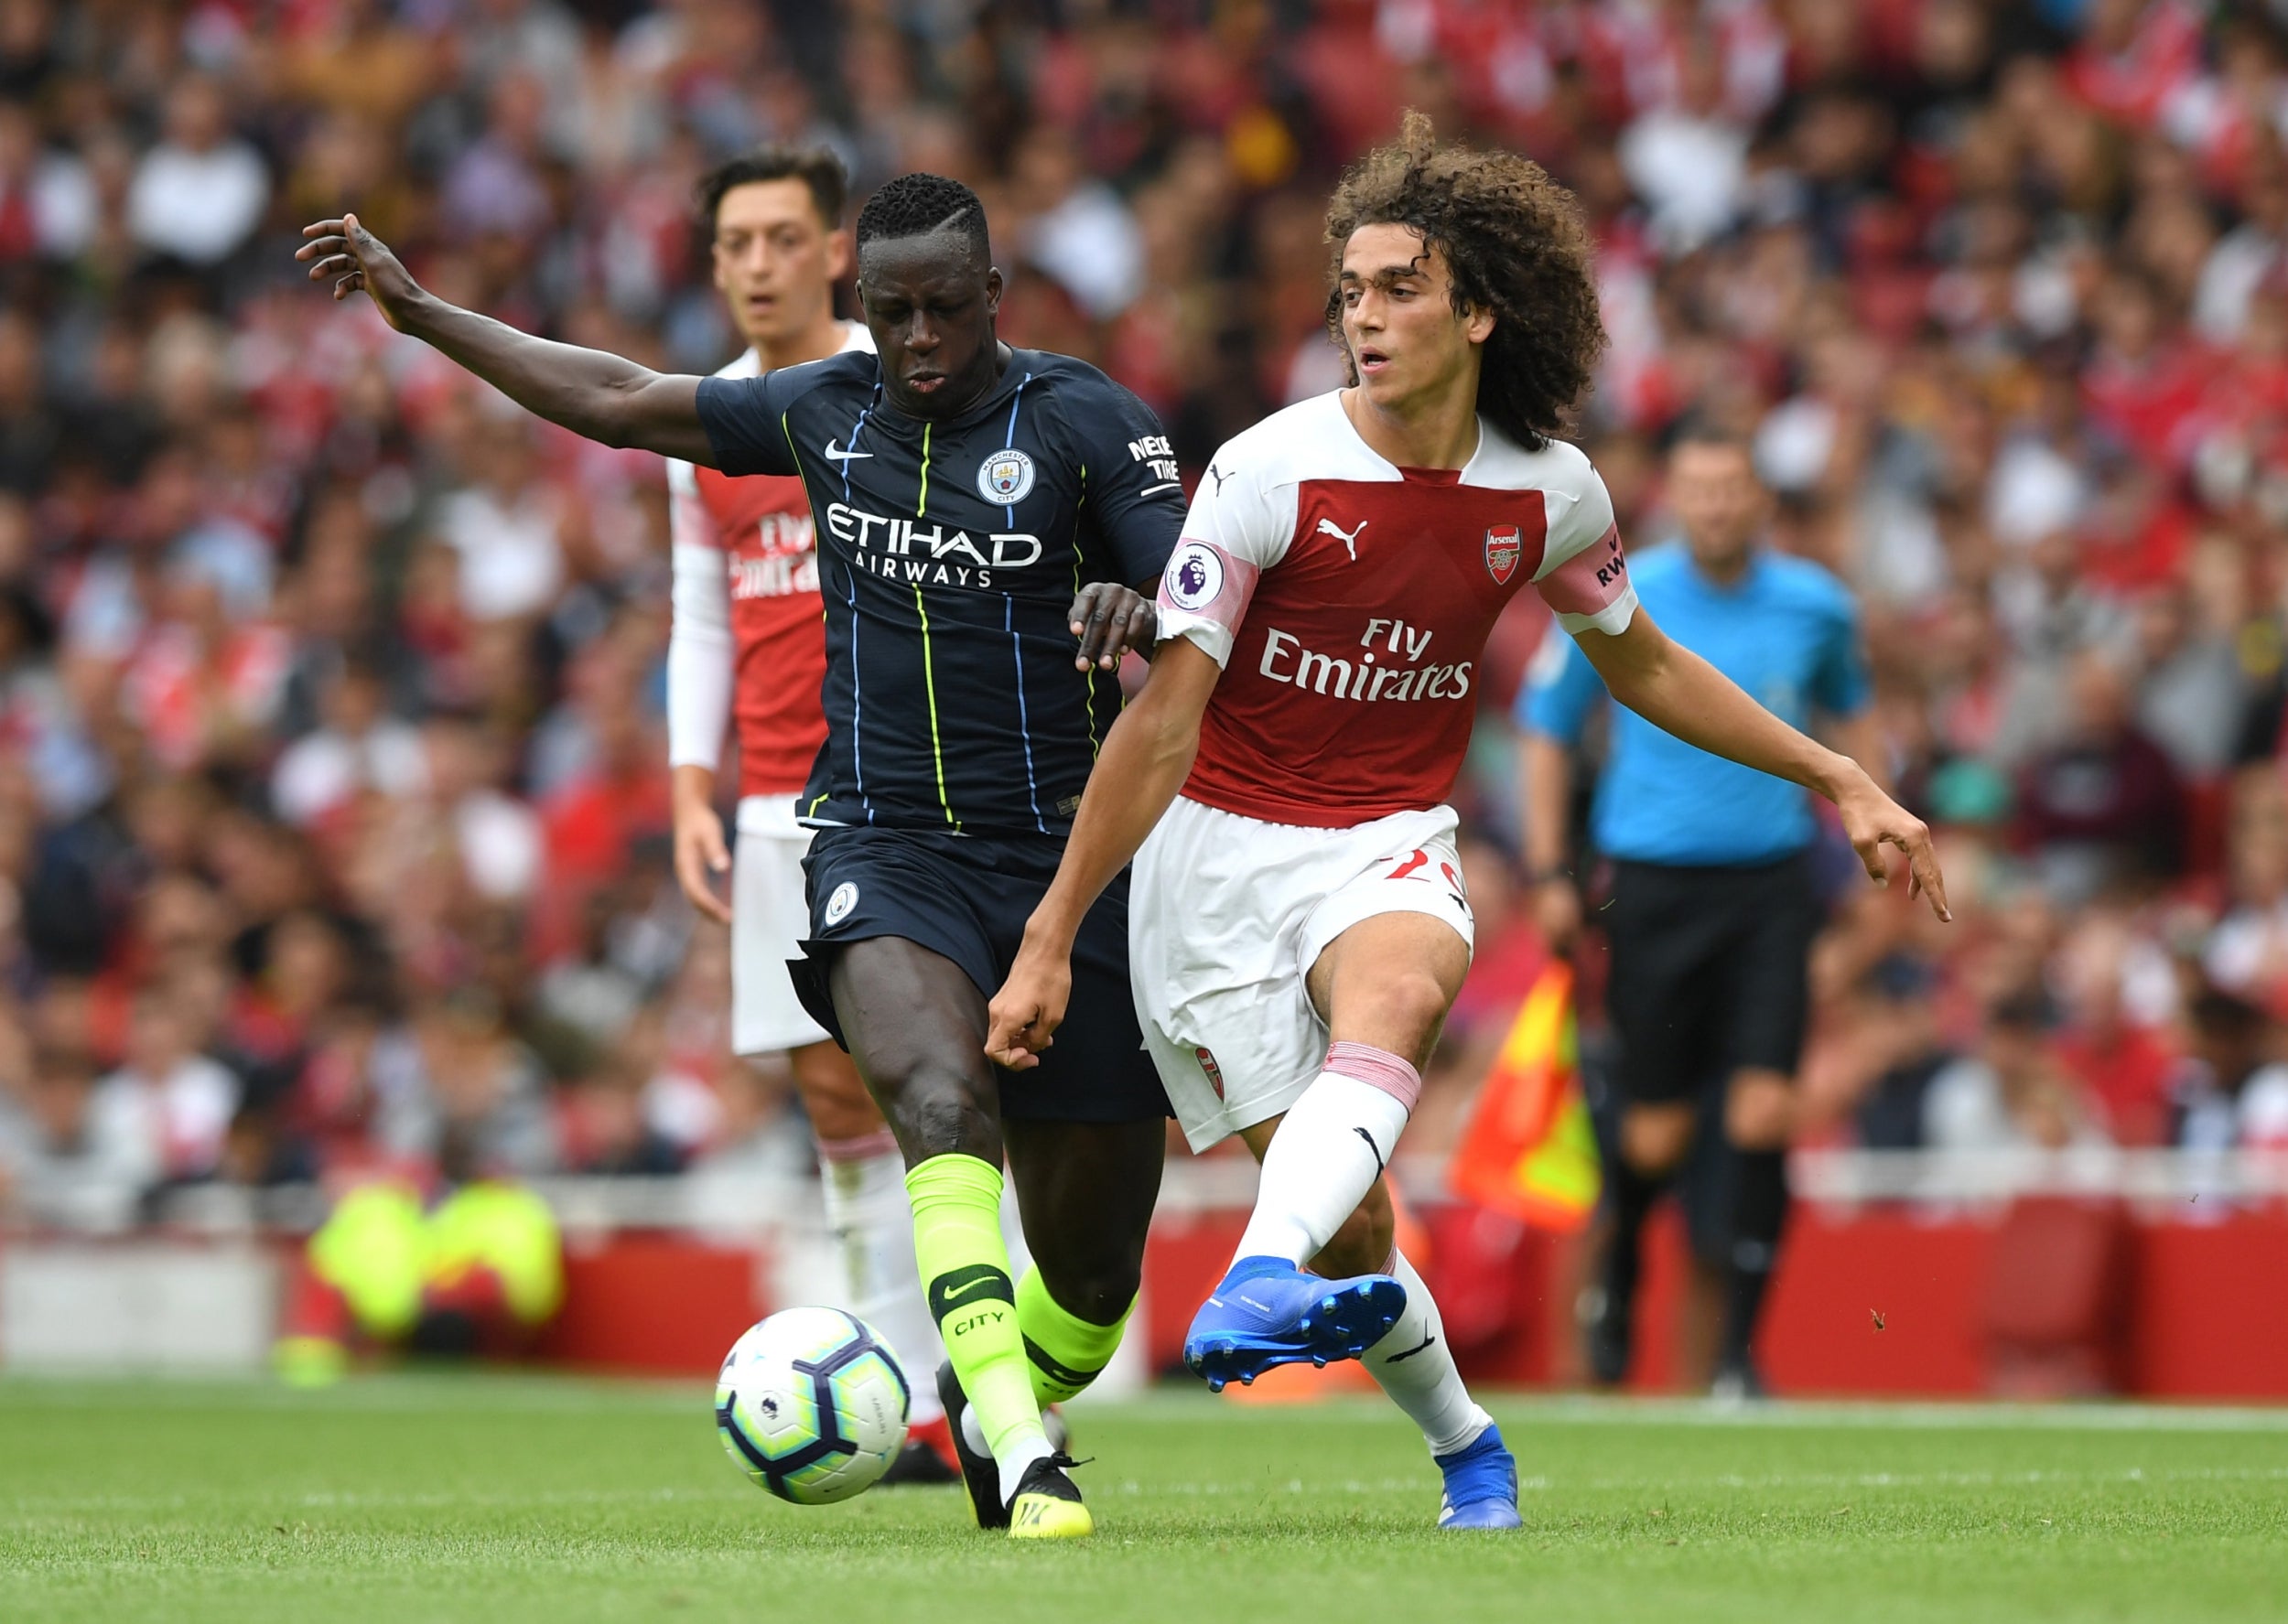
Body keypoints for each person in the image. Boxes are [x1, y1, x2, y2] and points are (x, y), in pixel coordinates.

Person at [983, 114, 1948, 1528]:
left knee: (1405, 985)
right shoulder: (1264, 472)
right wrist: (1055, 932)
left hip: (1386, 834)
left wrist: (1842, 776)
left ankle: (1254, 1274)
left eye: (1399, 288)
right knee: (1357, 1226)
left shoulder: (1548, 490)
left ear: (1482, 309)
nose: (1362, 317)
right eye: (1351, 291)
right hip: (1220, 855)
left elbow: (1650, 664)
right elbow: (1161, 720)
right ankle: (1466, 1442)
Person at [300, 169, 1178, 1542]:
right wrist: (419, 315)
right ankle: (1019, 1454)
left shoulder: (1086, 423)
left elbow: (1200, 600)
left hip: (1066, 866)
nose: (920, 340)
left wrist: (1140, 596)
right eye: (891, 314)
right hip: (882, 846)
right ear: (863, 308)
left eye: (947, 308)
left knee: (1094, 1263)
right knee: (938, 1112)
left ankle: (999, 1378)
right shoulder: (823, 411)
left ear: (995, 295)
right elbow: (611, 395)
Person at [661, 145, 956, 1485]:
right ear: (716, 262)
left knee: (941, 1090)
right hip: (774, 798)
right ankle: (902, 1394)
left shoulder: (900, 385)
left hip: (906, 789)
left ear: (836, 250)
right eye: (739, 243)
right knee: (835, 1098)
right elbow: (702, 608)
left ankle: (990, 1387)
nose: (763, 263)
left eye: (786, 237)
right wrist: (687, 780)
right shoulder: (704, 419)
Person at [1519, 423, 1885, 1398]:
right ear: (1674, 498)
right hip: (1651, 882)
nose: (1717, 505)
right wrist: (1555, 868)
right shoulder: (1617, 591)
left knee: (1767, 1110)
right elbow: (1546, 731)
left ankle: (1737, 1356)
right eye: (1699, 488)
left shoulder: (1817, 606)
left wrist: (1873, 818)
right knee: (1655, 1132)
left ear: (1762, 499)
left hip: (1770, 883)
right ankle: (1627, 1262)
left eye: (1734, 488)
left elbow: (1853, 717)